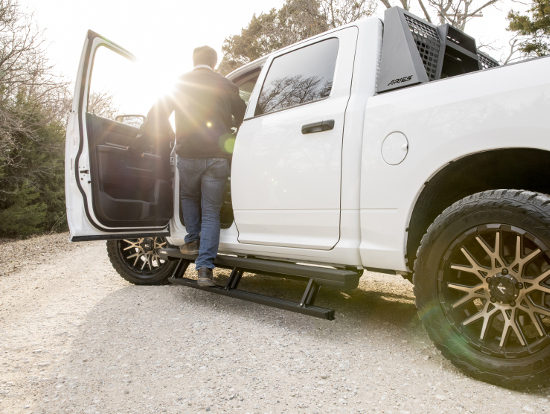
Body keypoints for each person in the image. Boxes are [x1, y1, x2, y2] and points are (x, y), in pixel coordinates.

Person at [146, 46, 246, 286]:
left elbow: (155, 114)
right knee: (211, 211)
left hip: (188, 155)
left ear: (193, 61)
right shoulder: (225, 85)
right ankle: (204, 270)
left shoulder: (178, 83)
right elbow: (243, 115)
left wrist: (171, 134)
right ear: (215, 63)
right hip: (217, 157)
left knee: (189, 198)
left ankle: (191, 240)